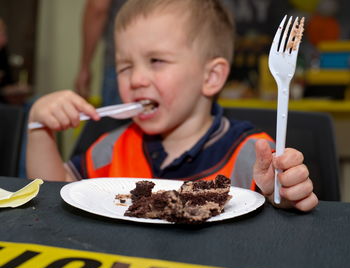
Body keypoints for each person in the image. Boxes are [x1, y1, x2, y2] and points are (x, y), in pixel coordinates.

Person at [27, 0, 318, 211]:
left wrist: (283, 196)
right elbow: (53, 196)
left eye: (156, 61)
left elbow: (279, 225)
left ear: (211, 76)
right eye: (124, 66)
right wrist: (39, 128)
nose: (136, 79)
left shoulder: (253, 157)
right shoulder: (111, 149)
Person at [74, 0, 126, 106]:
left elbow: (97, 8)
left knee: (115, 119)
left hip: (121, 63)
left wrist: (85, 67)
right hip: (164, 60)